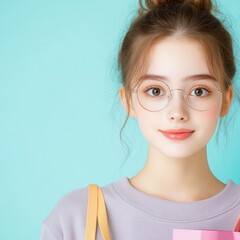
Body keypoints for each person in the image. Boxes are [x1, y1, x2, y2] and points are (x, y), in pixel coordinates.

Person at [40, 0, 240, 239]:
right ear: (128, 100)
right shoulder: (76, 218)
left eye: (199, 90)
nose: (177, 112)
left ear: (226, 100)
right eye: (155, 91)